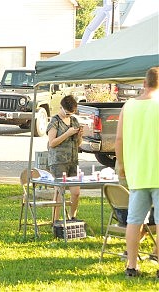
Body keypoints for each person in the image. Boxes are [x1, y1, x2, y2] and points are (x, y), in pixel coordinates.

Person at [115, 66, 159, 278]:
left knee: (134, 221)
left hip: (137, 173)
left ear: (144, 83)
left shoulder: (128, 106)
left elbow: (119, 140)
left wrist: (121, 165)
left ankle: (131, 266)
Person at [46, 95, 83, 221]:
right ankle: (55, 221)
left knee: (76, 192)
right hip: (58, 161)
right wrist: (67, 133)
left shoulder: (74, 121)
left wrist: (79, 136)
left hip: (72, 160)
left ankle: (72, 217)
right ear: (61, 108)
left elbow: (78, 144)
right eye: (67, 113)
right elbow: (52, 143)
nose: (68, 116)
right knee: (59, 192)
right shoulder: (54, 121)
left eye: (70, 114)